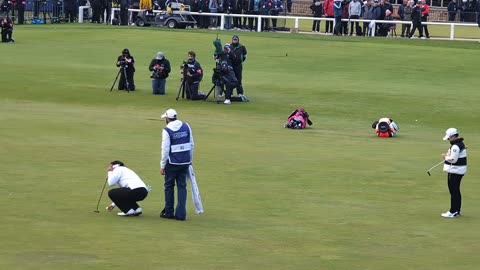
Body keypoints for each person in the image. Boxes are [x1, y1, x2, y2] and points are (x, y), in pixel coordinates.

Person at [160, 109, 194, 221]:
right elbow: (191, 144)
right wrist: (190, 159)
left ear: (167, 118)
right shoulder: (186, 126)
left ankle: (169, 212)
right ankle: (181, 214)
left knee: (169, 187)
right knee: (182, 187)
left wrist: (162, 165)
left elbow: (165, 149)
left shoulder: (167, 130)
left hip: (172, 163)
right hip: (185, 161)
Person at [440, 128, 467, 218]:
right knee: (456, 191)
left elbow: (453, 160)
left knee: (454, 191)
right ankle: (456, 211)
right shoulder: (459, 144)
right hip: (458, 170)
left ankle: (453, 211)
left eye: (449, 138)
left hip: (455, 170)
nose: (448, 139)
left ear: (453, 136)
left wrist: (445, 157)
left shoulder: (455, 146)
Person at [230, 34, 249, 101]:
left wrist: (240, 61)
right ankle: (230, 93)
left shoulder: (242, 47)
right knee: (230, 79)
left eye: (236, 40)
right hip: (231, 65)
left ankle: (240, 93)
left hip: (238, 65)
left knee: (238, 79)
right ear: (232, 40)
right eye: (234, 40)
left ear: (238, 40)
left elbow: (244, 56)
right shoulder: (229, 46)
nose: (235, 41)